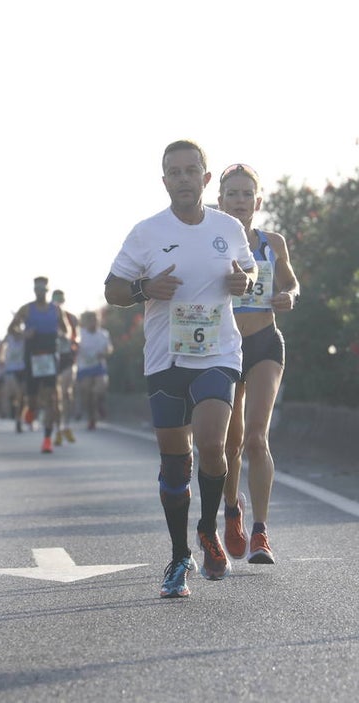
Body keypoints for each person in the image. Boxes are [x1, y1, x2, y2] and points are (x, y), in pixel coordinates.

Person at [104, 139, 255, 598]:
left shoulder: (229, 227)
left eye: (193, 171)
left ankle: (207, 531)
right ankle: (178, 556)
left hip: (218, 354)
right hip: (165, 359)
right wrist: (144, 287)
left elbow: (248, 276)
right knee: (174, 466)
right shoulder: (146, 232)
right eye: (175, 171)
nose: (184, 178)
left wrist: (243, 282)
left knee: (212, 445)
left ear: (206, 180)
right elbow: (112, 290)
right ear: (165, 180)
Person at [217, 163, 301, 565]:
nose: (239, 201)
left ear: (258, 201)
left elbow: (290, 282)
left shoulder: (272, 242)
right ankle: (232, 510)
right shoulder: (209, 242)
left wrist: (290, 296)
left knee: (255, 439)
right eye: (232, 194)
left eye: (246, 194)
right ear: (219, 201)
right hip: (224, 347)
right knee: (230, 444)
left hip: (266, 341)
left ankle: (261, 533)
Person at [9, 276, 72, 453]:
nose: (40, 292)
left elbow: (66, 330)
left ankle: (47, 439)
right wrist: (23, 334)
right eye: (37, 289)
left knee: (52, 398)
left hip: (50, 356)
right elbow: (11, 329)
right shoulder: (26, 310)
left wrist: (62, 335)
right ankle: (31, 410)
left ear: (47, 290)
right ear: (34, 290)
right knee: (33, 400)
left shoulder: (56, 310)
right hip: (32, 357)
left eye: (43, 289)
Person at [75, 310, 113, 430]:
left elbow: (109, 348)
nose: (94, 323)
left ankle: (101, 403)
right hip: (84, 367)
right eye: (91, 320)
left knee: (99, 389)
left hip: (99, 367)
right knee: (87, 394)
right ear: (86, 322)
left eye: (96, 320)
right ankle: (92, 418)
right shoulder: (80, 334)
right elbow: (74, 345)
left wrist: (106, 352)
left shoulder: (103, 334)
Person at [51, 289, 78, 445]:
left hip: (67, 358)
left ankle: (66, 426)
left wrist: (68, 338)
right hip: (51, 360)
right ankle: (57, 430)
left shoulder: (71, 317)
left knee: (67, 394)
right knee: (55, 397)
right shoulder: (47, 316)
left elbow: (77, 336)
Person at [0, 322, 29, 432]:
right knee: (16, 394)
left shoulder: (25, 336)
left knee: (23, 397)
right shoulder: (8, 337)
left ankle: (19, 419)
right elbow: (1, 345)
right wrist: (1, 358)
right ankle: (15, 415)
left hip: (22, 369)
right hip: (11, 369)